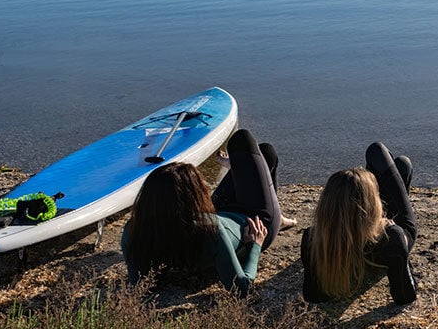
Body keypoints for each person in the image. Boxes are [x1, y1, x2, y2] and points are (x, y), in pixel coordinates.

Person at [121, 129, 287, 297]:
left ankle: (235, 168)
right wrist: (255, 245)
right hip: (256, 220)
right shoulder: (211, 231)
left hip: (217, 211)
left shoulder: (134, 230)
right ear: (193, 198)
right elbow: (242, 288)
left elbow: (140, 285)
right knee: (255, 146)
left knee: (259, 157)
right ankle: (278, 217)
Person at [300, 142, 418, 305]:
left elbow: (312, 295)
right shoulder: (392, 237)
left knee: (397, 165)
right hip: (382, 239)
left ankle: (360, 198)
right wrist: (397, 239)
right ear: (375, 204)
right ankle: (366, 196)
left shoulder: (311, 238)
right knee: (397, 161)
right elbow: (405, 297)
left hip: (356, 236)